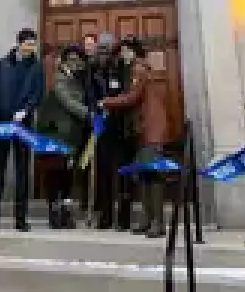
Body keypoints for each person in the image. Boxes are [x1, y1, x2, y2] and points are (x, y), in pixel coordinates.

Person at [100, 37, 169, 238]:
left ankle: (158, 223)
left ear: (134, 52)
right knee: (144, 175)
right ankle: (148, 220)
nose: (123, 55)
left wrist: (106, 101)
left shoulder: (138, 69)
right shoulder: (136, 69)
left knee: (153, 176)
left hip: (151, 128)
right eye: (121, 51)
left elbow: (132, 97)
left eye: (126, 51)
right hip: (142, 128)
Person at [0, 28, 44, 233]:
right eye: (27, 43)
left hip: (22, 126)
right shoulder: (2, 64)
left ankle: (21, 219)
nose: (30, 47)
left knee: (22, 172)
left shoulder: (36, 68)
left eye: (33, 44)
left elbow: (37, 94)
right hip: (1, 124)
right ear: (19, 44)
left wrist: (26, 111)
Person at [35, 44, 91, 229]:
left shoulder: (78, 80)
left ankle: (65, 214)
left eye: (78, 60)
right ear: (64, 61)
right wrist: (89, 114)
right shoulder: (59, 79)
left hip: (72, 135)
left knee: (67, 176)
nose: (75, 63)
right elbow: (67, 101)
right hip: (56, 134)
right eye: (71, 59)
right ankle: (54, 213)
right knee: (55, 175)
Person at [89, 33, 133, 230]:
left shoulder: (123, 68)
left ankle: (124, 218)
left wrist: (111, 106)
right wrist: (96, 110)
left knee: (123, 173)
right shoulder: (94, 70)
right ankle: (105, 216)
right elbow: (90, 94)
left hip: (121, 126)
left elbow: (127, 94)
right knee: (104, 173)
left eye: (108, 49)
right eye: (101, 49)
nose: (104, 52)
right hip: (102, 128)